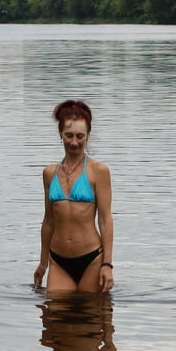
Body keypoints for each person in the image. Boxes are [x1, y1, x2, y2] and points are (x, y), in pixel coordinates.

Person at [34, 100, 114, 293]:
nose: (74, 142)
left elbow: (105, 220)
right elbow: (48, 222)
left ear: (88, 136)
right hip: (58, 260)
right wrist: (43, 263)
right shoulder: (49, 173)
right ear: (60, 134)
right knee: (53, 317)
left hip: (91, 259)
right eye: (69, 136)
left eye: (80, 136)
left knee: (90, 317)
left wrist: (107, 265)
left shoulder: (99, 171)